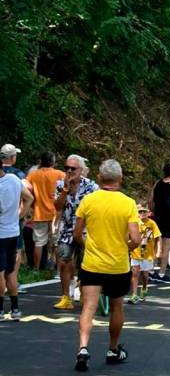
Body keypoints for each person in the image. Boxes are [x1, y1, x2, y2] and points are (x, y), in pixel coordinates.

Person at [72, 160, 141, 371]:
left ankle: (83, 347)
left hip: (92, 264)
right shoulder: (128, 203)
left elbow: (76, 233)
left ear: (100, 179)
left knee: (89, 307)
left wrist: (87, 246)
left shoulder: (88, 200)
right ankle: (112, 349)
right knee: (117, 306)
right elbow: (136, 239)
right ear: (120, 180)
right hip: (117, 265)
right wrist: (125, 246)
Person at [53, 155, 98, 310]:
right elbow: (57, 207)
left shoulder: (91, 186)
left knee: (85, 265)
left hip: (86, 230)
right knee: (64, 262)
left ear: (81, 170)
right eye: (67, 168)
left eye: (73, 168)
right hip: (66, 229)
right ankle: (66, 296)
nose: (69, 171)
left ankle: (82, 290)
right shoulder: (60, 185)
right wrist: (65, 190)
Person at [0, 152, 34, 320]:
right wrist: (20, 215)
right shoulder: (14, 179)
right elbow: (29, 197)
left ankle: (0, 309)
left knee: (0, 273)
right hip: (13, 232)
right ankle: (15, 308)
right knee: (10, 272)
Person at [27, 151, 65, 269]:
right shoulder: (59, 174)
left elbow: (26, 187)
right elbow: (63, 190)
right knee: (57, 242)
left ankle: (36, 269)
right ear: (52, 162)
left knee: (38, 243)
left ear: (41, 161)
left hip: (39, 213)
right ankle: (57, 269)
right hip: (56, 213)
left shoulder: (33, 175)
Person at [127, 204, 160, 304]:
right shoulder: (134, 223)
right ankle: (134, 294)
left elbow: (157, 238)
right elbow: (128, 236)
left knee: (145, 276)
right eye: (140, 212)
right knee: (135, 273)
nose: (142, 214)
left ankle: (144, 288)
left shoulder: (152, 224)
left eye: (144, 212)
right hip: (136, 252)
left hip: (147, 254)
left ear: (148, 213)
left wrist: (158, 251)